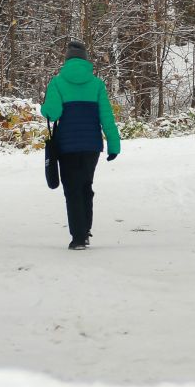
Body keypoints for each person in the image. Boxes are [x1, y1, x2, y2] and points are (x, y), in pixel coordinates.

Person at [40, 41, 121, 250]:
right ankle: (84, 233)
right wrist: (114, 145)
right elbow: (107, 118)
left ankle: (78, 237)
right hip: (91, 146)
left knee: (72, 190)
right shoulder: (97, 84)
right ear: (85, 60)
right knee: (86, 187)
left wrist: (46, 106)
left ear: (66, 59)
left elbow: (52, 113)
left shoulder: (57, 83)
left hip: (67, 146)